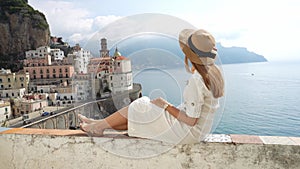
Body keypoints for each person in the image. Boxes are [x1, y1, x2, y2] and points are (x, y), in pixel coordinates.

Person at [79, 29, 224, 144]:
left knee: (139, 106)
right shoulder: (213, 73)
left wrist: (165, 105)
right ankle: (99, 124)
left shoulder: (197, 80)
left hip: (188, 131)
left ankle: (98, 127)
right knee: (141, 115)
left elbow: (191, 120)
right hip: (199, 131)